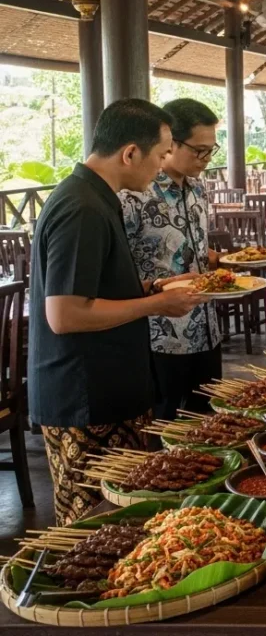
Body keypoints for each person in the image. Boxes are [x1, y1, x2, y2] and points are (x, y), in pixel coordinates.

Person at [29, 98, 204, 524]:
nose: (162, 166)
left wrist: (148, 287)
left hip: (111, 387)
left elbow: (94, 287)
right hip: (85, 397)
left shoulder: (98, 196)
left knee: (128, 519)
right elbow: (65, 315)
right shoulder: (81, 207)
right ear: (130, 153)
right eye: (161, 155)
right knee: (96, 529)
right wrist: (157, 303)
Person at [119, 99, 223, 422]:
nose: (206, 159)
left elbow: (192, 247)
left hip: (206, 327)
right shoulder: (135, 194)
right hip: (161, 337)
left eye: (211, 150)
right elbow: (120, 268)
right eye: (199, 151)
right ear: (170, 143)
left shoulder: (198, 190)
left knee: (210, 423)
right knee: (164, 428)